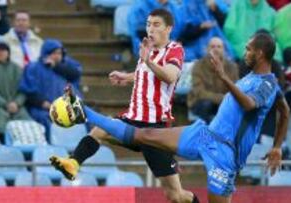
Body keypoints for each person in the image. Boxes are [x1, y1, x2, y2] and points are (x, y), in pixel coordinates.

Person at [50, 33, 290, 203]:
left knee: (183, 196)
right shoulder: (252, 77)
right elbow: (284, 109)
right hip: (205, 134)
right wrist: (277, 146)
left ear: (260, 53)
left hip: (225, 154)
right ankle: (84, 111)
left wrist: (224, 78)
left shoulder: (268, 83)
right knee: (145, 134)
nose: (245, 52)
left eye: (249, 49)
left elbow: (251, 105)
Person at [51, 9, 200, 203]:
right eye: (148, 24)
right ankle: (73, 163)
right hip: (132, 119)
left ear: (169, 28)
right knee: (99, 131)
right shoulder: (147, 49)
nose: (150, 29)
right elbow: (146, 74)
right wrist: (128, 76)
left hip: (155, 130)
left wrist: (147, 60)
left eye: (156, 25)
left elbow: (170, 76)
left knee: (176, 196)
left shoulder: (174, 50)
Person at [19, 38, 82, 138]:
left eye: (59, 53)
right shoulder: (33, 68)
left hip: (65, 108)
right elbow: (29, 91)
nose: (57, 56)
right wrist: (43, 103)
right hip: (41, 109)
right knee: (45, 119)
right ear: (46, 54)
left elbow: (76, 74)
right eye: (54, 53)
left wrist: (56, 67)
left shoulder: (66, 67)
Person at [187, 37, 238, 123]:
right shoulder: (198, 65)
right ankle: (205, 133)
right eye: (212, 46)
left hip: (223, 103)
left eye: (219, 47)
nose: (216, 49)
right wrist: (221, 98)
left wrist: (225, 100)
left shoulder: (232, 67)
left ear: (224, 50)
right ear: (207, 49)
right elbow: (199, 92)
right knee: (207, 104)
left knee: (233, 107)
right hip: (202, 102)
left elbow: (235, 89)